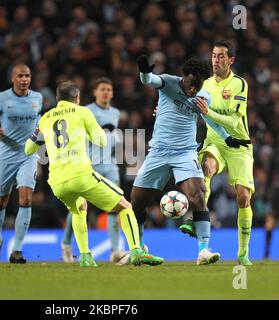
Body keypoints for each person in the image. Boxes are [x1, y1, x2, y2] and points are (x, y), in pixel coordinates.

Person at [122, 55, 250, 266]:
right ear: (183, 76)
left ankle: (203, 250)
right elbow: (149, 81)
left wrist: (228, 138)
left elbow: (209, 119)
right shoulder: (168, 82)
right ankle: (139, 247)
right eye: (191, 85)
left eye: (197, 87)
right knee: (136, 203)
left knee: (198, 195)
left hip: (185, 153)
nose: (193, 91)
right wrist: (144, 71)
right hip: (158, 152)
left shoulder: (203, 95)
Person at [25, 81, 164, 267]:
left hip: (57, 182)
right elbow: (101, 142)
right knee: (125, 206)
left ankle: (85, 256)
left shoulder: (45, 118)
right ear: (77, 98)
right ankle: (137, 251)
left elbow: (28, 149)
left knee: (79, 208)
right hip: (80, 174)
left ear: (58, 99)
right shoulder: (83, 112)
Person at [179, 40, 254, 266]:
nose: (216, 60)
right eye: (213, 55)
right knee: (207, 168)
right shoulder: (205, 85)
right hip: (214, 143)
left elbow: (232, 120)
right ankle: (197, 218)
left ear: (231, 60)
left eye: (221, 56)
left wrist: (208, 112)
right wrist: (161, 110)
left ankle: (242, 253)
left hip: (239, 145)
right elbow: (184, 102)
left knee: (243, 196)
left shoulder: (240, 84)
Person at [0, 64, 42, 264]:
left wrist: (39, 137)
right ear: (12, 78)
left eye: (27, 76)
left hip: (28, 155)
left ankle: (17, 250)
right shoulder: (1, 99)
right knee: (0, 202)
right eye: (20, 76)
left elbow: (39, 121)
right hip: (6, 156)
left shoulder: (37, 98)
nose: (24, 79)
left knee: (25, 200)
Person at [61, 77, 127, 263]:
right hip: (88, 164)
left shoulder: (115, 113)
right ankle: (66, 242)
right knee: (79, 207)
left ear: (112, 93)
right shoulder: (85, 111)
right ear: (95, 92)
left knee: (116, 205)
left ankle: (115, 251)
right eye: (102, 89)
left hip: (110, 165)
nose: (106, 92)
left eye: (109, 89)